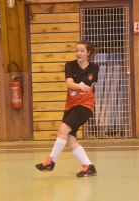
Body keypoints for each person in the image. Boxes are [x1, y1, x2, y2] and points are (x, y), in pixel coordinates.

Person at [35, 40, 99, 177]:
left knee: (62, 130)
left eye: (82, 51)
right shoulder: (70, 65)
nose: (78, 53)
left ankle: (50, 162)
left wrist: (83, 86)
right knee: (70, 139)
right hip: (71, 105)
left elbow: (89, 83)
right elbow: (70, 83)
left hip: (85, 106)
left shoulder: (94, 67)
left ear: (88, 53)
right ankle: (89, 167)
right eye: (77, 50)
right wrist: (80, 86)